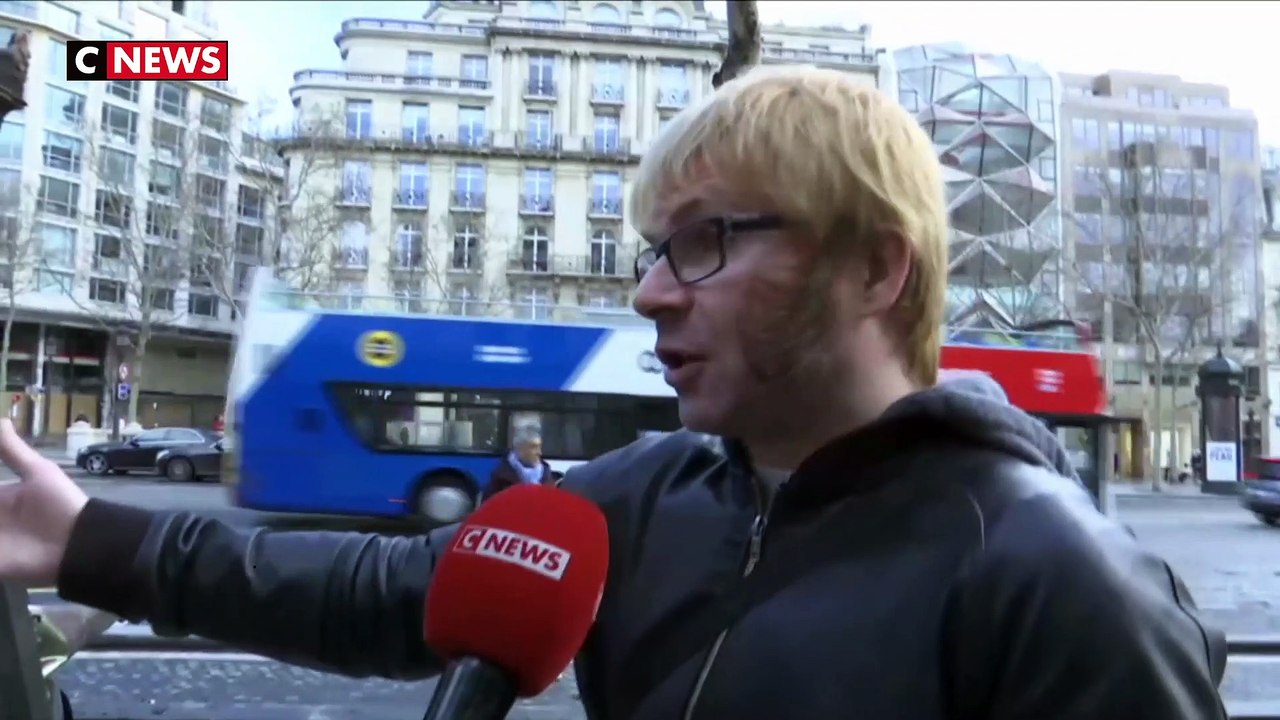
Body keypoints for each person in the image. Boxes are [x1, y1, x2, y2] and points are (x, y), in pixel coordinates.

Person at [0, 65, 1226, 718]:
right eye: (651, 249)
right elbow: (384, 592)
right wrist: (88, 540)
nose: (649, 295)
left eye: (704, 241)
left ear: (872, 266)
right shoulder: (641, 498)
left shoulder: (1054, 579)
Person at [483, 427, 552, 502]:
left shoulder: (547, 477)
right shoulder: (500, 479)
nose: (539, 453)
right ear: (520, 449)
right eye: (534, 447)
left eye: (540, 447)